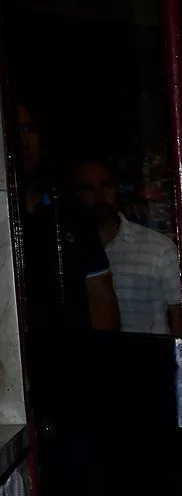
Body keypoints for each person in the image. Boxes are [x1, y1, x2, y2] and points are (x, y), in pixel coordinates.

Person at [13, 103, 119, 332]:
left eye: (29, 129)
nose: (22, 139)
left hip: (71, 360)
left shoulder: (71, 213)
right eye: (12, 128)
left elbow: (100, 300)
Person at [69, 161, 182, 335]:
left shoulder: (158, 249)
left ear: (116, 190)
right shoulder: (67, 252)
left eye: (105, 185)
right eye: (88, 188)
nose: (99, 195)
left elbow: (181, 318)